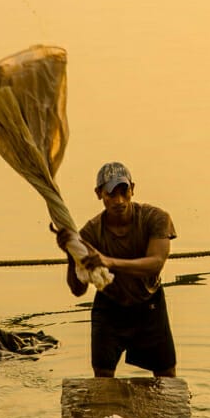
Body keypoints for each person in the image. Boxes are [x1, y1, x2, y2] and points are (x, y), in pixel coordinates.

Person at [56, 162, 177, 378]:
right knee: (102, 377)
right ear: (99, 194)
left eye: (124, 192)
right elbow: (78, 290)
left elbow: (156, 262)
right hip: (110, 308)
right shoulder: (90, 233)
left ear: (132, 188)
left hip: (149, 304)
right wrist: (70, 252)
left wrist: (109, 262)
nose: (119, 201)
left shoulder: (155, 218)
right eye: (111, 194)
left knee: (166, 376)